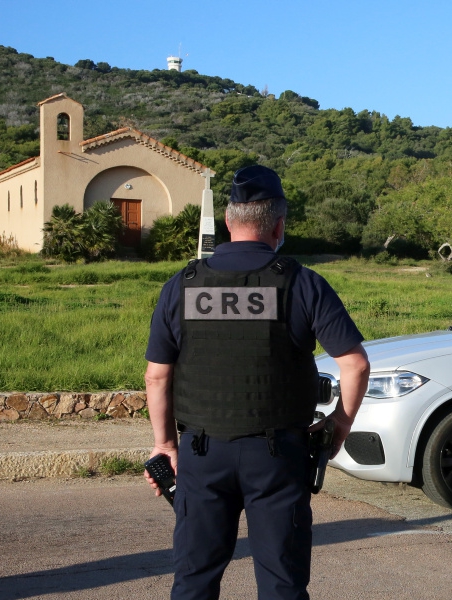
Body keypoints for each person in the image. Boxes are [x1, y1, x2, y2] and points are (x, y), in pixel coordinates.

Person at [143, 164, 371, 600]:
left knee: (193, 582)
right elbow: (355, 365)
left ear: (229, 222)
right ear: (279, 226)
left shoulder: (182, 285)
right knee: (282, 583)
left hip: (202, 454)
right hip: (278, 456)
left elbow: (157, 376)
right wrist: (340, 425)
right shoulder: (302, 282)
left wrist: (165, 445)